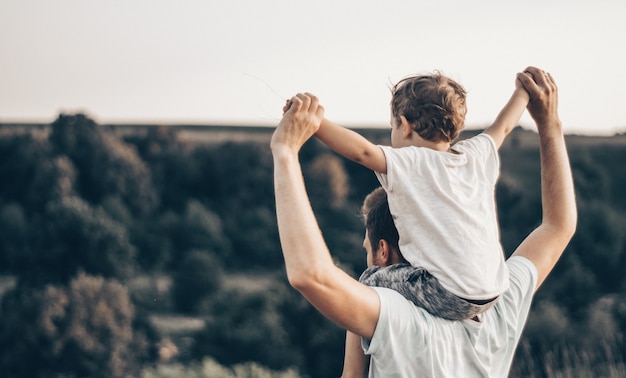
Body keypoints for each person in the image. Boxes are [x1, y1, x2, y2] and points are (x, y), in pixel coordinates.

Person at [271, 66, 576, 377]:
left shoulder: (395, 317)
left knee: (368, 280)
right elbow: (558, 226)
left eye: (369, 250)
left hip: (419, 298)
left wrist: (286, 151)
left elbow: (312, 276)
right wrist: (548, 123)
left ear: (383, 251)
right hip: (485, 299)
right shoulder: (501, 299)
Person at [313, 71, 529, 321]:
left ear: (405, 126)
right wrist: (522, 93)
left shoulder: (410, 162)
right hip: (494, 289)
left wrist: (315, 122)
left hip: (447, 294)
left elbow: (362, 152)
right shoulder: (475, 155)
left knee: (369, 280)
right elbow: (503, 127)